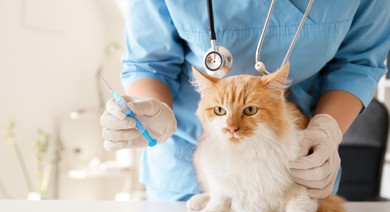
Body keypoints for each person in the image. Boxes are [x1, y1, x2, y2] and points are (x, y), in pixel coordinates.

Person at [100, 0, 390, 201]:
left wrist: (326, 129)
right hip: (189, 163)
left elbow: (358, 64)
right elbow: (149, 62)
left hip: (292, 161)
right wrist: (153, 109)